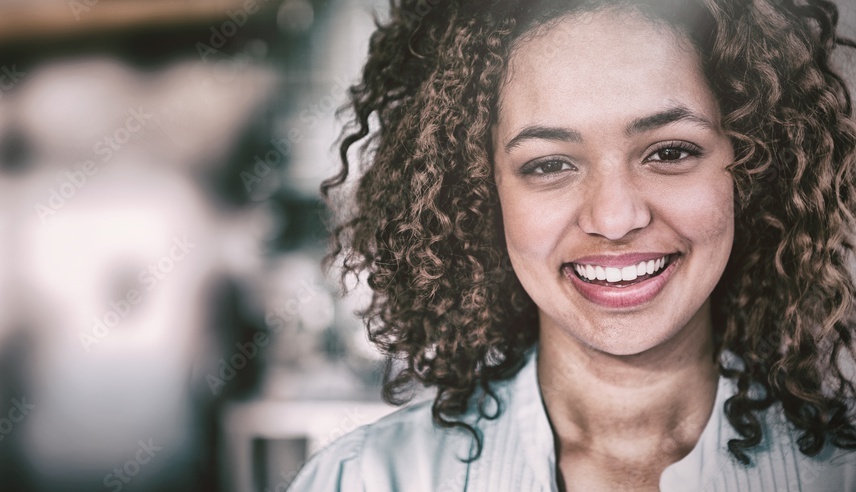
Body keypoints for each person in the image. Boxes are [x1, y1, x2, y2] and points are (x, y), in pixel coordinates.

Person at [288, 0, 856, 490]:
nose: (614, 218)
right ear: (481, 193)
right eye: (550, 164)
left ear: (753, 165)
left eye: (670, 152)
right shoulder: (364, 480)